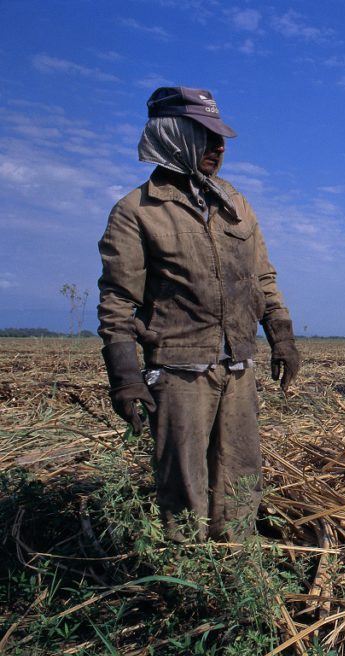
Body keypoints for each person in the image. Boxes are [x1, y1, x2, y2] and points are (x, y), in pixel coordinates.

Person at [97, 86, 300, 542]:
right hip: (179, 372)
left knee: (242, 476)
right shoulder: (137, 212)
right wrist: (125, 376)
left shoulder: (236, 205)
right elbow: (117, 301)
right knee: (184, 485)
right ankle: (191, 579)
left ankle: (237, 564)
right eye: (206, 137)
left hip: (239, 367)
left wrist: (281, 337)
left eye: (221, 138)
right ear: (174, 137)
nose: (219, 148)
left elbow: (262, 278)